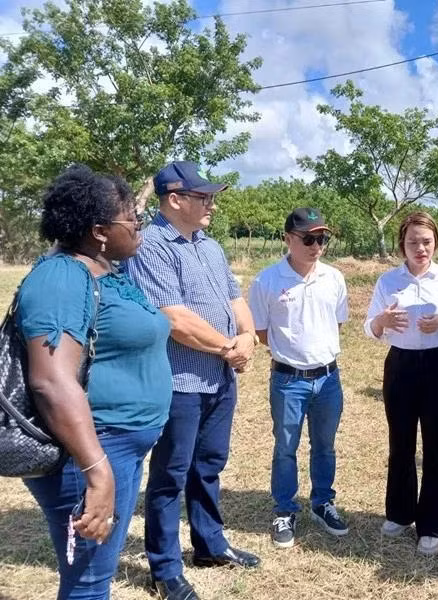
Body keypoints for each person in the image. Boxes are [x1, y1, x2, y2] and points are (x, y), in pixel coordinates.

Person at [18, 165, 172, 599]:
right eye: (132, 218)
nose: (140, 224)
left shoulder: (107, 271)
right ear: (100, 230)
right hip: (90, 452)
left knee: (93, 578)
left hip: (116, 448)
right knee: (87, 584)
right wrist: (96, 470)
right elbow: (50, 380)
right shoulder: (63, 277)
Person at [124, 161, 260, 600]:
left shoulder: (210, 246)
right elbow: (174, 320)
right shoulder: (152, 247)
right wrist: (228, 348)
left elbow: (234, 298)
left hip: (219, 378)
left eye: (211, 197)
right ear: (175, 199)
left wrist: (246, 339)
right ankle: (165, 568)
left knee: (209, 466)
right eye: (203, 197)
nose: (212, 205)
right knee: (170, 475)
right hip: (179, 381)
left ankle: (210, 544)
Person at [364, 212, 438, 556]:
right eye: (413, 242)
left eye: (426, 241)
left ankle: (432, 524)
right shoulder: (388, 281)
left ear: (435, 243)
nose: (420, 248)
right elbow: (369, 327)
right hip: (401, 364)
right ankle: (399, 513)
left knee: (437, 445)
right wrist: (381, 320)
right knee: (401, 441)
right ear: (402, 245)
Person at [248, 207, 349, 550]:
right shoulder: (266, 281)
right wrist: (293, 356)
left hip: (328, 379)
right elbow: (260, 331)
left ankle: (323, 502)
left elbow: (337, 324)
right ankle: (285, 509)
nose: (316, 245)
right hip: (288, 381)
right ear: (287, 239)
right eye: (308, 238)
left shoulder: (334, 278)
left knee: (325, 446)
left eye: (321, 238)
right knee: (285, 448)